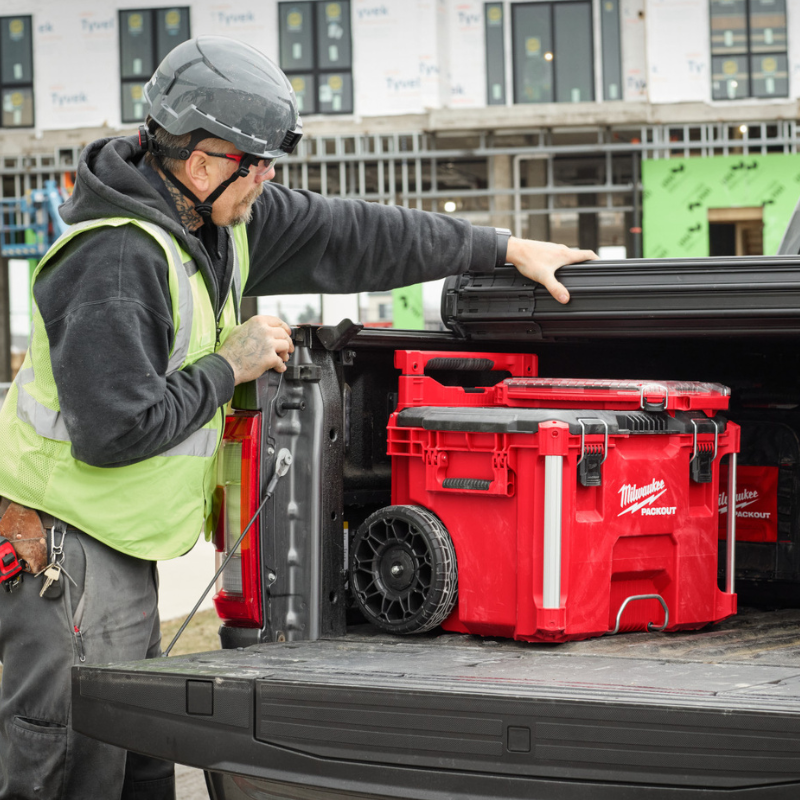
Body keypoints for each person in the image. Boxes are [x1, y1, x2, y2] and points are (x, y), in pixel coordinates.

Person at [0, 35, 596, 800]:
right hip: (66, 555)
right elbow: (113, 430)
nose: (272, 179)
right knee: (74, 768)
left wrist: (502, 247)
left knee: (137, 761)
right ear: (207, 161)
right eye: (260, 162)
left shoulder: (217, 221)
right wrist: (230, 365)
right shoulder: (116, 261)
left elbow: (353, 233)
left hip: (118, 549)